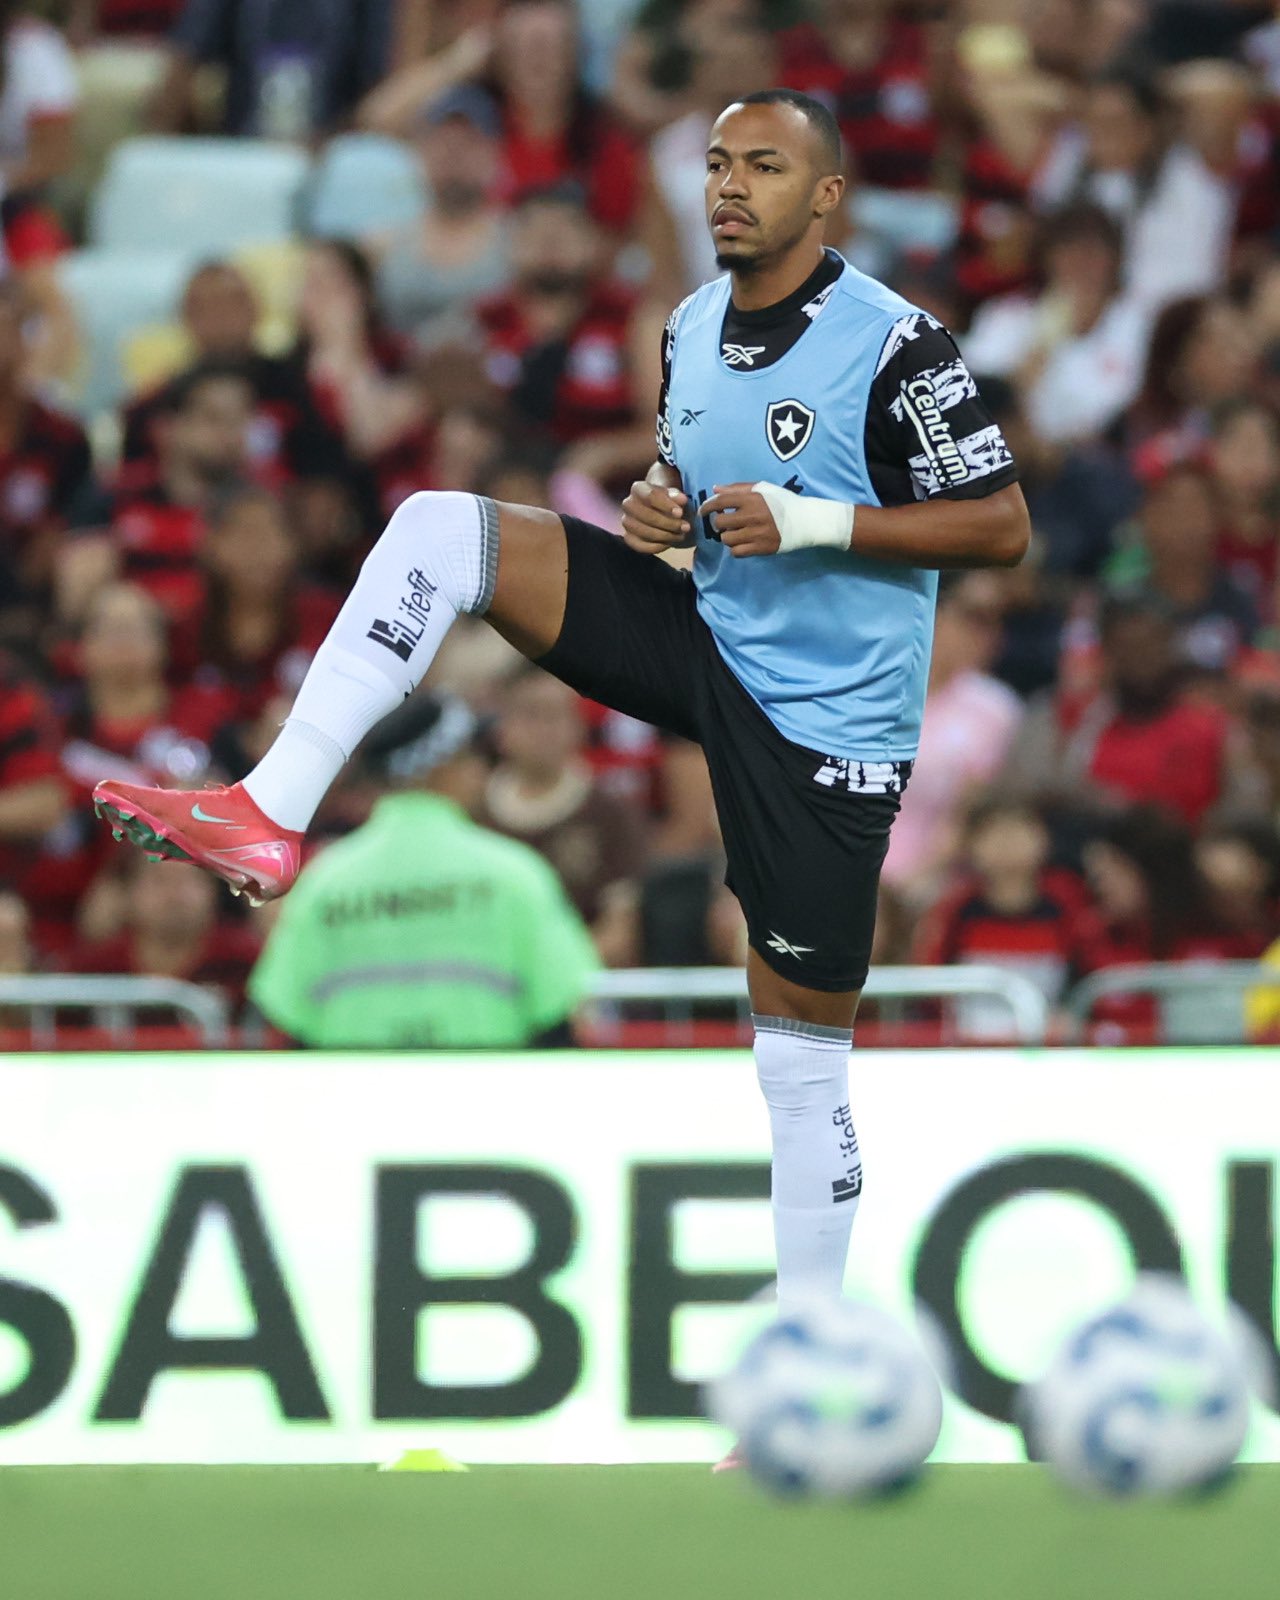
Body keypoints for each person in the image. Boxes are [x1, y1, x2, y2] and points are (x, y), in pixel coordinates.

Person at [94, 90, 1028, 1395]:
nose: (729, 186)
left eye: (764, 166)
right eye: (717, 163)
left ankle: (805, 1356)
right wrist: (661, 510)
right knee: (442, 527)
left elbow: (999, 526)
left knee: (799, 1061)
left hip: (822, 725)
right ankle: (269, 808)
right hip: (705, 637)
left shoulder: (895, 345)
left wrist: (814, 523)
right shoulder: (688, 327)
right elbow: (694, 493)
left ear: (826, 196)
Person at [247, 691, 598, 1048]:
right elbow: (560, 1009)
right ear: (440, 765)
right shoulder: (516, 875)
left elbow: (290, 1015)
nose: (480, 770)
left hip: (355, 1083)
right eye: (470, 755)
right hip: (486, 1082)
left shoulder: (325, 881)